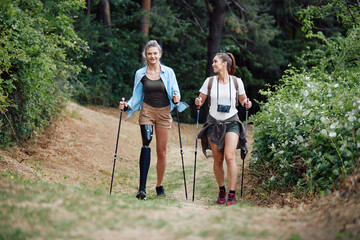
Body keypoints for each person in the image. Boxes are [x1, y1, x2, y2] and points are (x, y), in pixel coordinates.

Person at [119, 40, 186, 200]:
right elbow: (136, 97)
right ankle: (142, 189)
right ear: (146, 55)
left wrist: (177, 98)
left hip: (164, 112)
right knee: (146, 142)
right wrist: (126, 105)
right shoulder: (140, 73)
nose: (152, 56)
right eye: (149, 53)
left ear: (160, 54)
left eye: (155, 53)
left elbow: (176, 91)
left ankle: (158, 185)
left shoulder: (169, 72)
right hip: (147, 110)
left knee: (161, 152)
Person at [194, 53, 252, 205]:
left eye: (215, 62)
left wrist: (247, 102)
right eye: (213, 61)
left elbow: (243, 98)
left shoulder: (236, 81)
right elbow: (201, 98)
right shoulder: (210, 81)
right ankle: (222, 190)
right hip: (213, 122)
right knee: (217, 159)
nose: (212, 64)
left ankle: (232, 194)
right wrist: (198, 101)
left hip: (232, 121)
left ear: (224, 64)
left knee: (230, 157)